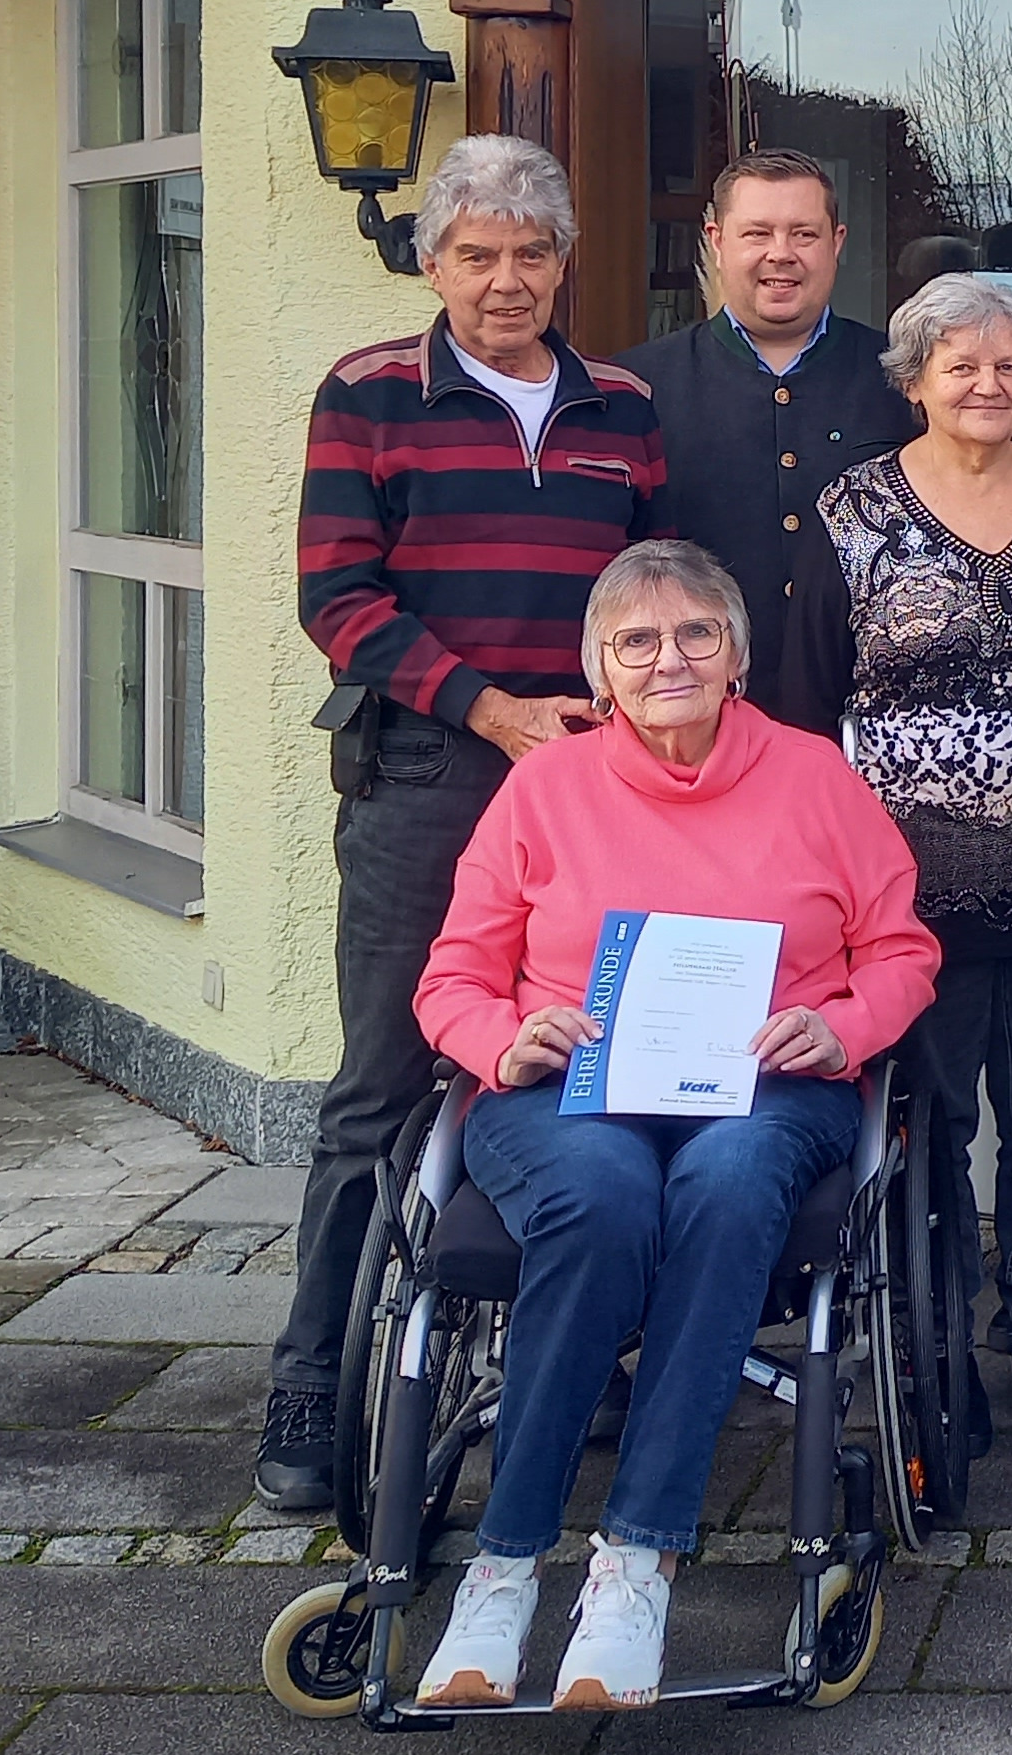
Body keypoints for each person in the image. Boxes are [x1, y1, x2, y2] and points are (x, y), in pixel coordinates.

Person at [406, 540, 939, 1713]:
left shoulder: (814, 779)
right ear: (600, 669)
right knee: (600, 1199)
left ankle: (635, 1565)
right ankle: (501, 1572)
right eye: (637, 641)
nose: (668, 660)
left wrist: (839, 1027)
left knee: (730, 1185)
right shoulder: (543, 788)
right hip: (566, 1089)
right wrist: (504, 1035)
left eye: (696, 634)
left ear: (737, 656)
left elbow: (902, 954)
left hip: (765, 1085)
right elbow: (450, 977)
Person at [265, 135, 666, 1514]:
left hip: (599, 782)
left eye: (532, 252)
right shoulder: (371, 392)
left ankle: (582, 1345)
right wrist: (491, 707)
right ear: (432, 261)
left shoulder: (621, 406)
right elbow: (338, 599)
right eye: (477, 253)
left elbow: (648, 596)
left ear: (566, 263)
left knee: (589, 1065)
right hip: (432, 775)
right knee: (382, 1088)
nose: (506, 279)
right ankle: (314, 1384)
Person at [826, 274, 1012, 1447]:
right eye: (962, 365)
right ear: (914, 381)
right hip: (912, 889)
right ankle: (935, 1340)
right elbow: (814, 690)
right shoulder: (853, 509)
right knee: (929, 1119)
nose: (989, 384)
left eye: (1009, 365)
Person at [639, 150, 919, 738]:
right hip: (698, 728)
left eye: (804, 233)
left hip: (875, 727)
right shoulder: (639, 388)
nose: (781, 254)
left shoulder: (903, 381)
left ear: (837, 242)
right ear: (716, 240)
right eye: (757, 233)